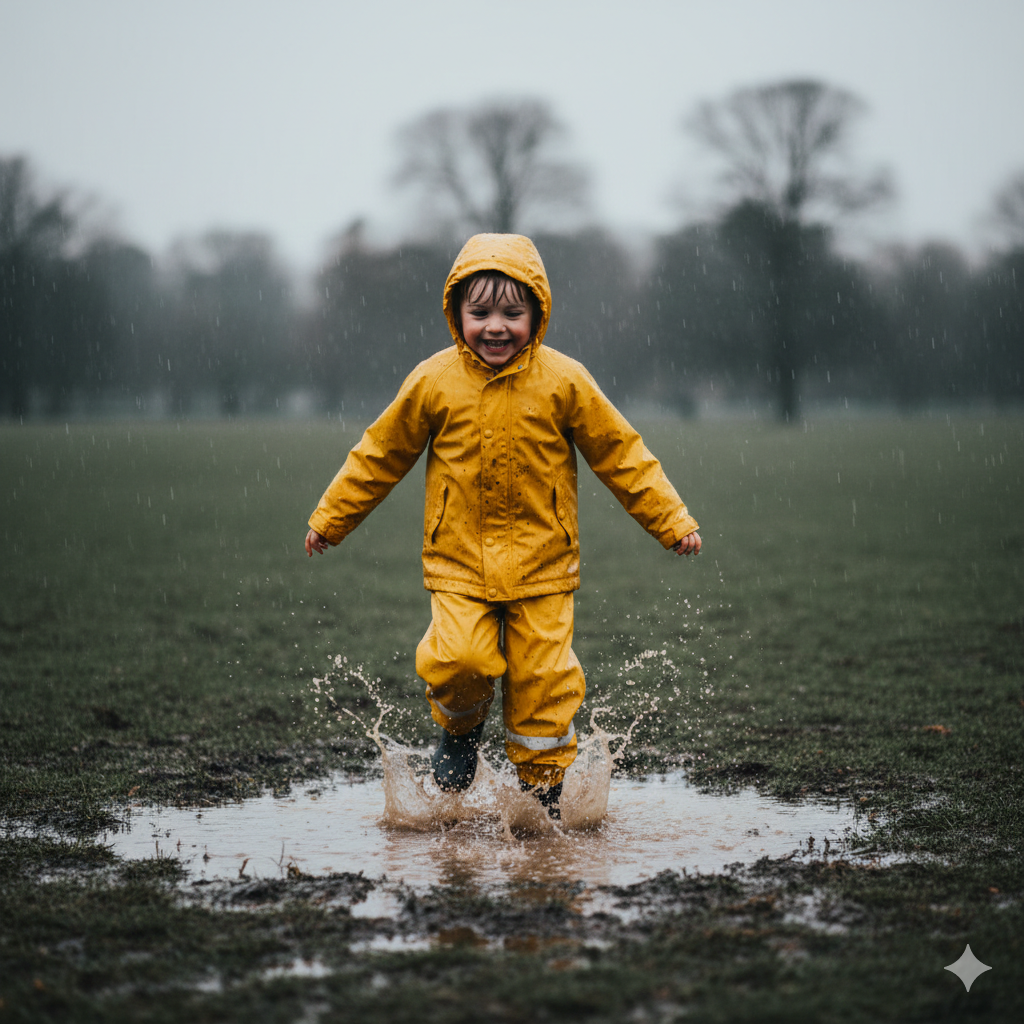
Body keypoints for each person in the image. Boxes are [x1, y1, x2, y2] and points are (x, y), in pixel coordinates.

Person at [305, 234, 700, 820]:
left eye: (513, 313)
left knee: (545, 686)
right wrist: (332, 518)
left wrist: (670, 519)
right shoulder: (434, 381)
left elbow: (622, 454)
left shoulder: (565, 381)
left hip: (544, 567)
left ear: (537, 315)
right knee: (458, 661)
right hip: (458, 564)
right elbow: (380, 453)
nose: (496, 327)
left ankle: (543, 802)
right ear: (456, 313)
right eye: (480, 312)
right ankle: (459, 734)